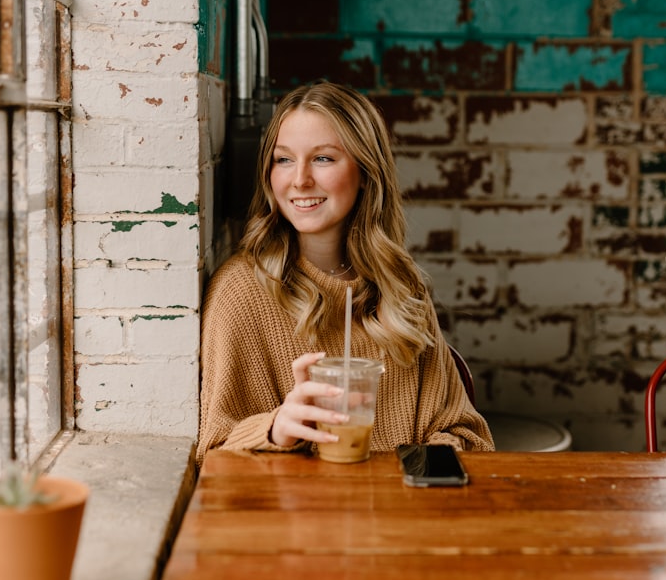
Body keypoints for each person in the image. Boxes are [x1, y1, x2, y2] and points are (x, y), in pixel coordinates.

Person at [196, 80, 494, 466]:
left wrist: (413, 477)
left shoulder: (402, 287)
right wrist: (274, 430)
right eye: (283, 159)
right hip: (295, 521)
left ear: (366, 172)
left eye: (322, 158)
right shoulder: (241, 291)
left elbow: (467, 435)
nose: (299, 179)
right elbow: (214, 456)